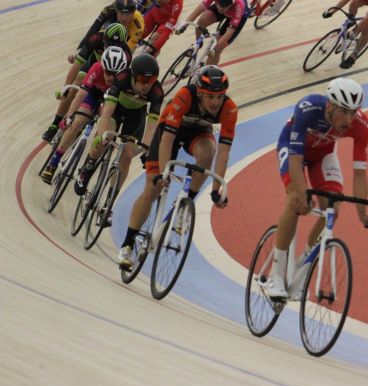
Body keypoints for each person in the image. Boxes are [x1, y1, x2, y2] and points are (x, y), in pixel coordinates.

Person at [265, 77, 368, 299]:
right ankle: (276, 274)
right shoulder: (308, 108)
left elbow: (359, 173)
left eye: (353, 112)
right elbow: (296, 161)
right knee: (296, 201)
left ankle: (303, 266)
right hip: (293, 149)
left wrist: (363, 215)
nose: (348, 119)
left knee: (333, 208)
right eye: (343, 111)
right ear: (329, 105)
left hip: (324, 155)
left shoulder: (361, 126)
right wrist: (302, 195)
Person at [116, 65, 237, 269]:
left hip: (198, 133)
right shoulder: (184, 96)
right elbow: (167, 139)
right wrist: (163, 173)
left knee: (209, 152)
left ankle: (186, 203)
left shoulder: (229, 108)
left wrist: (217, 189)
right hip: (168, 133)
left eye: (219, 96)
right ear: (199, 92)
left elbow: (224, 152)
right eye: (210, 97)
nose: (216, 102)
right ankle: (128, 244)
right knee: (152, 188)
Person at [73, 54, 164, 228]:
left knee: (127, 155)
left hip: (135, 117)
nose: (146, 85)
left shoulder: (157, 92)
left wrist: (145, 147)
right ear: (133, 76)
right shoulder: (122, 78)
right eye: (143, 81)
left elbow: (152, 125)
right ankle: (88, 167)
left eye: (151, 81)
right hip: (115, 110)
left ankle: (108, 204)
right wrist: (101, 134)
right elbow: (107, 112)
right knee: (104, 138)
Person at [40, 46, 129, 184]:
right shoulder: (96, 68)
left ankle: (87, 164)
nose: (111, 77)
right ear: (103, 67)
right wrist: (69, 117)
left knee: (101, 132)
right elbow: (81, 94)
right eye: (108, 72)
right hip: (92, 94)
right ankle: (53, 163)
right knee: (77, 122)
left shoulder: (124, 79)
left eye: (115, 74)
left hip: (109, 101)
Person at [42, 23, 131, 142]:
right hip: (93, 67)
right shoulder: (95, 39)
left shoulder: (127, 56)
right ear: (103, 39)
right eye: (109, 45)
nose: (111, 48)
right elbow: (77, 65)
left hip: (108, 75)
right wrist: (66, 88)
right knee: (76, 82)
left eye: (116, 46)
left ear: (123, 44)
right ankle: (55, 123)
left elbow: (119, 81)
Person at [322, 0, 368, 69]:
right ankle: (351, 21)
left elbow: (367, 17)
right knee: (354, 2)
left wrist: (354, 32)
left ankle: (354, 55)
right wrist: (332, 11)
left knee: (366, 30)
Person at [175, 0, 249, 66]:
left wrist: (215, 48)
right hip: (227, 10)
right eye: (219, 5)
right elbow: (198, 10)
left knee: (216, 50)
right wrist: (184, 25)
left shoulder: (239, 5)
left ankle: (207, 73)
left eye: (223, 6)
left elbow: (229, 32)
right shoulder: (221, 7)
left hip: (240, 15)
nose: (220, 8)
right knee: (202, 21)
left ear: (230, 4)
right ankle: (199, 43)